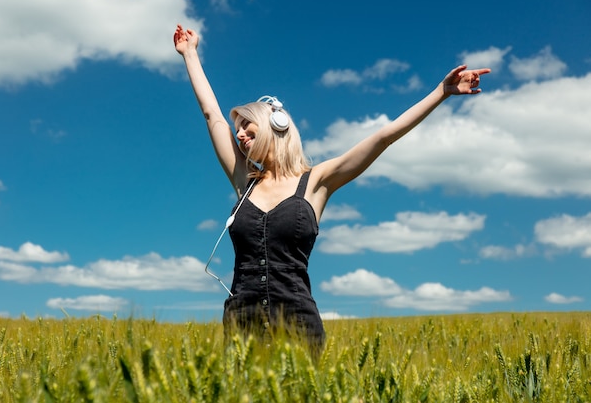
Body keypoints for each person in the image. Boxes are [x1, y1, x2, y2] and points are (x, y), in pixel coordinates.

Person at [173, 24, 490, 354]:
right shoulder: (245, 182)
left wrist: (441, 92)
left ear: (275, 126)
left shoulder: (316, 182)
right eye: (236, 129)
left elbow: (383, 137)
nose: (238, 135)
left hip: (297, 327)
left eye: (246, 125)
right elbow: (212, 116)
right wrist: (191, 54)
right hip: (241, 326)